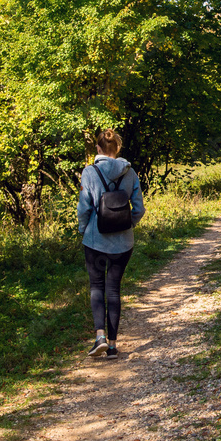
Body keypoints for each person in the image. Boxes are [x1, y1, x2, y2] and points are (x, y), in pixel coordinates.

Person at [77, 129, 145, 359]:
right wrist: (128, 224)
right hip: (123, 243)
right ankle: (113, 346)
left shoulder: (89, 172)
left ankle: (99, 338)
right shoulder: (130, 172)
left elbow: (84, 207)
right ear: (117, 148)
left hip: (95, 240)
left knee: (97, 287)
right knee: (114, 290)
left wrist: (83, 230)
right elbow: (139, 208)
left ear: (98, 149)